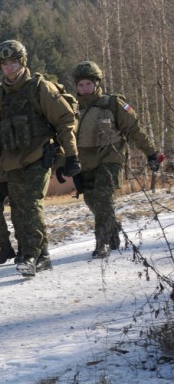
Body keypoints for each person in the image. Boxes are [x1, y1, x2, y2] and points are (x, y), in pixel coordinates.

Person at [0, 39, 80, 276]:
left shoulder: (40, 88)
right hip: (12, 161)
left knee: (32, 204)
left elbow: (65, 121)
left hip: (39, 156)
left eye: (13, 62)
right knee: (18, 210)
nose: (9, 68)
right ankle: (41, 254)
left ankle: (31, 255)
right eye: (4, 64)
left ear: (23, 61)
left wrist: (71, 155)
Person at [71, 60, 165, 258]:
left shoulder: (113, 104)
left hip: (110, 158)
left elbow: (135, 129)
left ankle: (103, 243)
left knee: (104, 199)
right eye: (81, 85)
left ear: (97, 83)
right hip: (85, 163)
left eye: (89, 84)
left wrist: (151, 153)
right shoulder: (72, 109)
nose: (85, 88)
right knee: (92, 201)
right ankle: (112, 230)